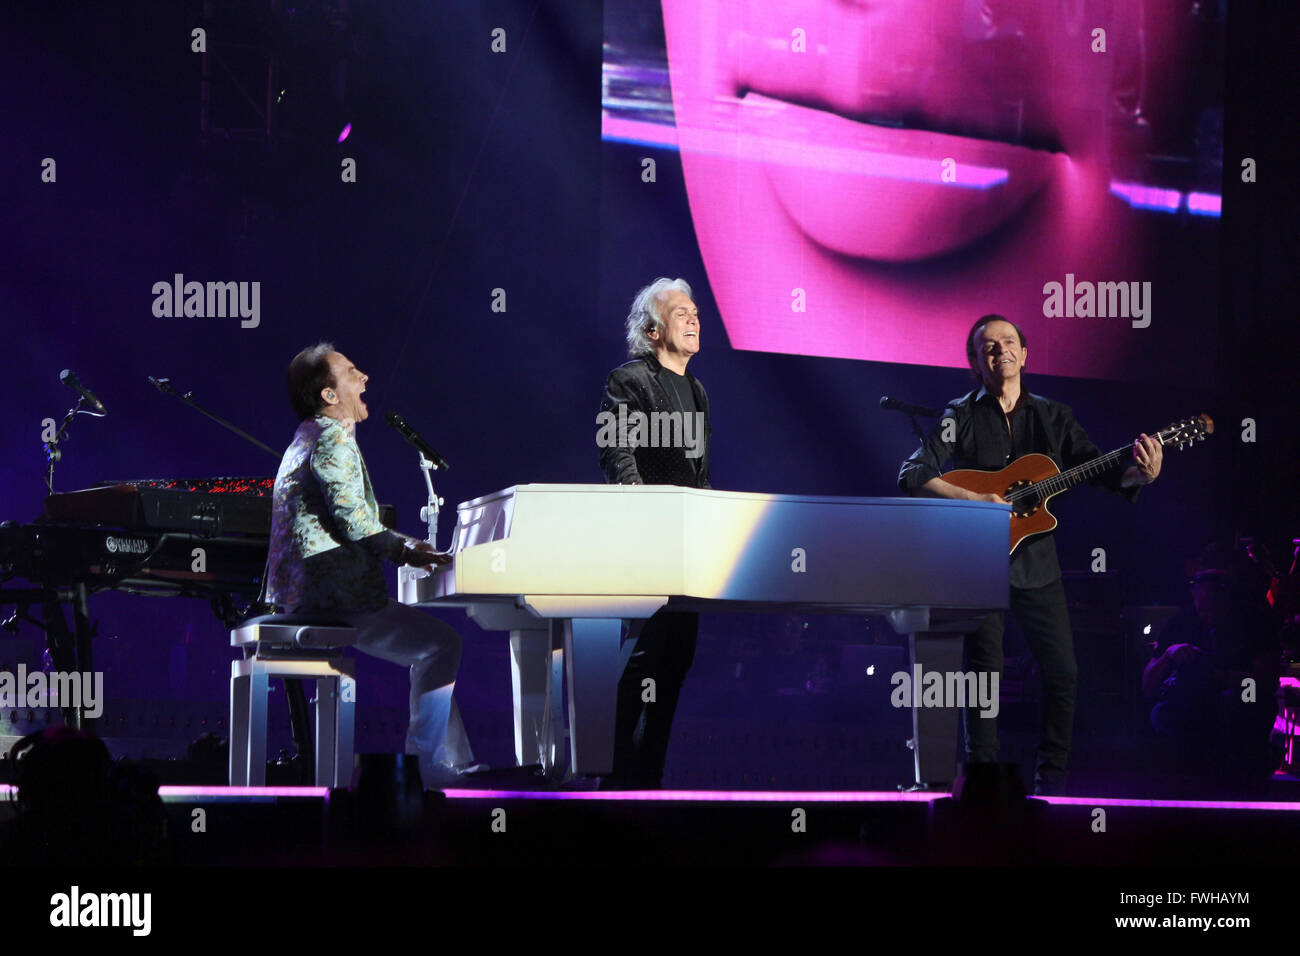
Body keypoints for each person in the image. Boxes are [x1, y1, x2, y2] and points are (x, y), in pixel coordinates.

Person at [898, 314, 1162, 794]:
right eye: (989, 347)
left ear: (1025, 354)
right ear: (976, 364)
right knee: (984, 677)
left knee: (1063, 672)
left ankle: (1052, 784)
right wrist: (977, 501)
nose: (1001, 351)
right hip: (978, 563)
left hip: (1038, 565)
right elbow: (913, 474)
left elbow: (1101, 471)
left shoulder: (1053, 416)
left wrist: (1137, 476)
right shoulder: (960, 414)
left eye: (1009, 342)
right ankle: (982, 780)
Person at [266, 342, 475, 787]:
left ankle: (450, 762)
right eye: (352, 372)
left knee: (433, 645)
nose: (365, 379)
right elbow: (354, 521)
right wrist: (407, 550)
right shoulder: (332, 438)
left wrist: (401, 544)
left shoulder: (307, 436)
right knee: (442, 645)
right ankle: (426, 765)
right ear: (328, 394)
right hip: (332, 597)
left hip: (305, 593)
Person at [597, 278, 710, 788]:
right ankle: (613, 776)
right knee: (644, 656)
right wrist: (641, 511)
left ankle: (649, 782)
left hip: (689, 541)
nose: (693, 318)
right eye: (680, 312)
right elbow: (616, 451)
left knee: (678, 660)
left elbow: (699, 473)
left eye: (695, 311)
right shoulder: (631, 380)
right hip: (649, 536)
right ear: (651, 328)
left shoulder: (698, 390)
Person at [1142, 545, 1280, 792]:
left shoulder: (1255, 622)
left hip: (1240, 701)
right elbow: (1147, 686)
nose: (1208, 616)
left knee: (1240, 708)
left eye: (1215, 608)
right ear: (1194, 596)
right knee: (1163, 714)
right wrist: (1168, 655)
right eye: (1202, 608)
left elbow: (1267, 683)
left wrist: (1220, 676)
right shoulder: (1180, 622)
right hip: (1191, 705)